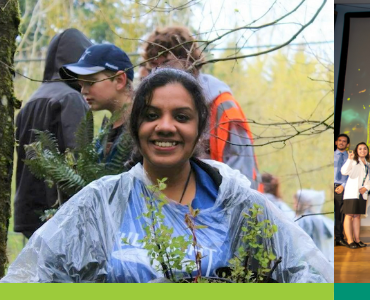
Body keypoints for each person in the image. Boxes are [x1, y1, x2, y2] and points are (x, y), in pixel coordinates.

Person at [1, 68, 333, 283]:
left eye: (182, 116)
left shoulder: (239, 205)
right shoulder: (101, 203)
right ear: (136, 126)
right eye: (152, 115)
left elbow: (307, 275)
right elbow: (35, 277)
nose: (165, 126)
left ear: (200, 128)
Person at [140, 26, 263, 192]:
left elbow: (242, 164)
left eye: (162, 64)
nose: (155, 74)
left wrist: (237, 210)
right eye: (152, 67)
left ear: (186, 59)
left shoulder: (221, 104)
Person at [14, 28, 92, 239]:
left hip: (29, 213)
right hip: (60, 217)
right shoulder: (71, 99)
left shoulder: (30, 101)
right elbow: (79, 162)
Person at [61, 43, 136, 167]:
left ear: (119, 80)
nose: (83, 91)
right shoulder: (104, 132)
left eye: (90, 82)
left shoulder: (142, 130)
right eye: (81, 85)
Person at [341, 142, 370, 249]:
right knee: (349, 215)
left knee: (357, 216)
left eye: (364, 149)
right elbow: (344, 171)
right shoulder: (353, 161)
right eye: (360, 149)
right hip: (351, 193)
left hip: (362, 194)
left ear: (367, 151)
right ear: (356, 151)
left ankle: (357, 240)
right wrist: (350, 159)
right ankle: (350, 240)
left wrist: (366, 188)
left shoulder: (368, 164)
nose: (362, 151)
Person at [294, 189, 334, 262]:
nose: (295, 205)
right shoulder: (319, 218)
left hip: (310, 259)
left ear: (305, 204)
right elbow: (328, 236)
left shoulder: (305, 220)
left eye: (297, 203)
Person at [332, 134, 351, 246]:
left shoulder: (350, 158)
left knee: (339, 214)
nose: (341, 143)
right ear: (336, 142)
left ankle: (339, 238)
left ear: (347, 144)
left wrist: (343, 185)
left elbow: (351, 174)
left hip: (342, 187)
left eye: (344, 141)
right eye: (339, 140)